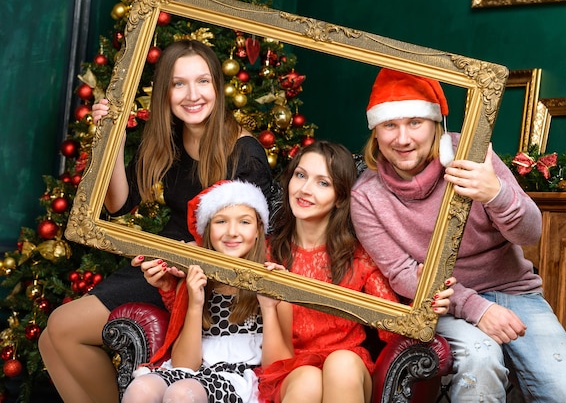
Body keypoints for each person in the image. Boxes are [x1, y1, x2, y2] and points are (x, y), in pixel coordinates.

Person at [38, 39, 273, 403]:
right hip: (164, 258)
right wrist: (111, 140)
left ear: (218, 88)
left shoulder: (244, 151)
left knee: (63, 328)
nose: (192, 95)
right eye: (179, 83)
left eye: (203, 81)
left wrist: (178, 261)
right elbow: (118, 203)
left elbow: (247, 241)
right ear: (165, 91)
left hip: (201, 274)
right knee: (50, 338)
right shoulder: (172, 139)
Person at [350, 68, 566, 403]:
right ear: (375, 131)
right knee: (481, 361)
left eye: (415, 123)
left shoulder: (472, 155)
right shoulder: (366, 195)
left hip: (513, 290)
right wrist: (478, 309)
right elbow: (403, 275)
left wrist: (495, 193)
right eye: (390, 125)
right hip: (442, 305)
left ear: (436, 125)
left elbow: (532, 233)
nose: (402, 138)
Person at [255, 140, 455, 403]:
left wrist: (423, 300)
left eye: (322, 183)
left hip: (348, 366)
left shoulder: (359, 258)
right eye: (300, 175)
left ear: (340, 198)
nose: (305, 189)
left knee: (341, 364)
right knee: (307, 380)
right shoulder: (265, 253)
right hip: (291, 371)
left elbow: (394, 329)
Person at [122, 179, 279, 403]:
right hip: (193, 370)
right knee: (141, 388)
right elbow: (184, 364)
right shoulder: (194, 278)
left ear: (257, 231)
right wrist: (195, 302)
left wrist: (268, 304)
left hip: (239, 378)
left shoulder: (270, 276)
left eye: (244, 222)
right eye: (221, 221)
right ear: (207, 231)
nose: (232, 232)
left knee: (182, 394)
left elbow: (278, 364)